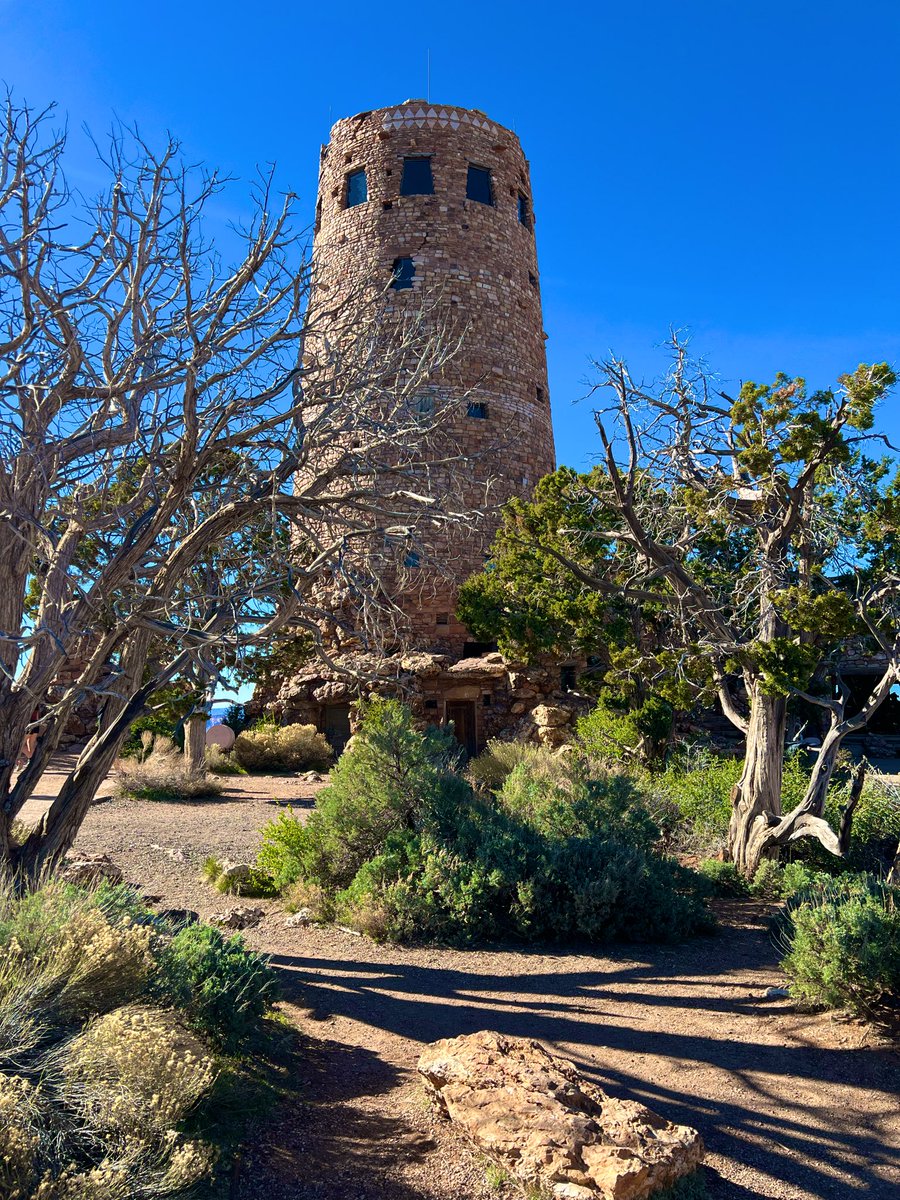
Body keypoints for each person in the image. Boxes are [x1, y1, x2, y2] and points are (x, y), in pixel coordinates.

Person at [15, 706, 43, 771]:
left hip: (28, 724)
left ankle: (20, 761)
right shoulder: (36, 704)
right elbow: (37, 715)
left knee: (20, 745)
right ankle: (31, 761)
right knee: (31, 744)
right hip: (36, 724)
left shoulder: (27, 703)